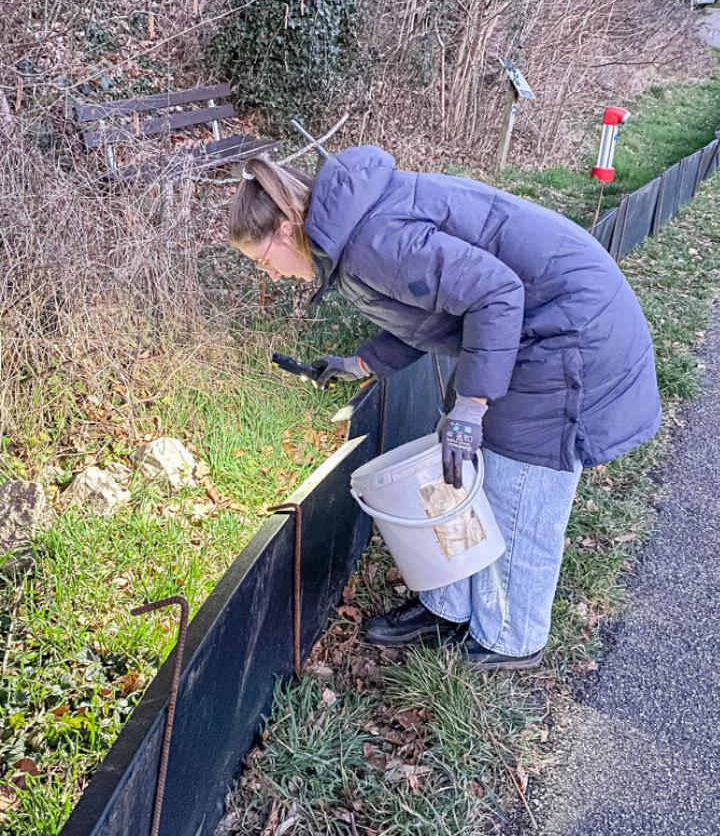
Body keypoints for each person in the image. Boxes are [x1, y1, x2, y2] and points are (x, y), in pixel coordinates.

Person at [229, 145, 661, 671]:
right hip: (526, 329)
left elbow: (497, 295)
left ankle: (510, 637)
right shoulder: (351, 233)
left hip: (569, 334)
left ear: (287, 223)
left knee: (518, 487)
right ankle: (449, 605)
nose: (270, 276)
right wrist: (357, 364)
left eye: (261, 261)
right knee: (458, 469)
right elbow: (430, 306)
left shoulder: (372, 240)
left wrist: (473, 408)